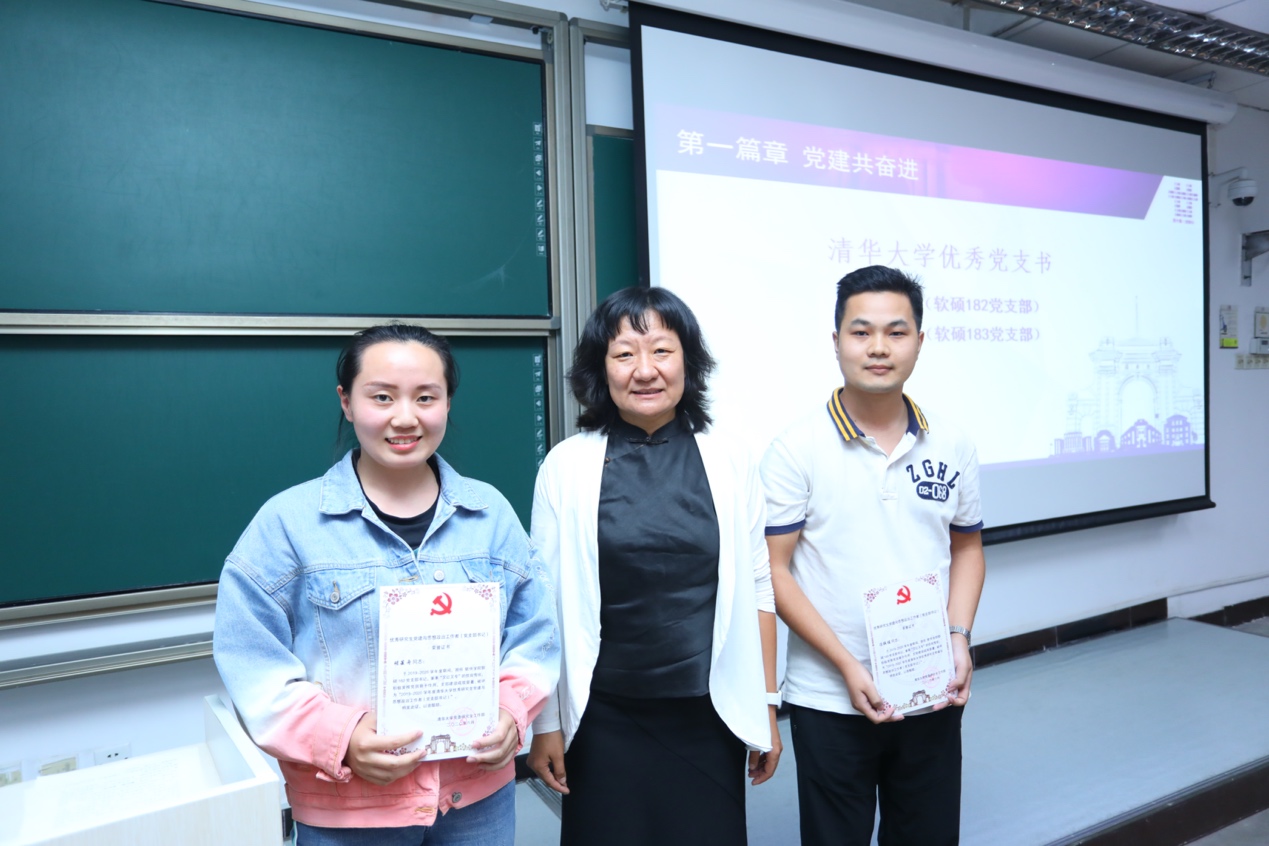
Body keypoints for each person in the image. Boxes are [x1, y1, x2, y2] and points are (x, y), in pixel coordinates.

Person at [213, 323, 559, 846]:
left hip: (477, 799)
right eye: (382, 397)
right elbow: (251, 663)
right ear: (347, 402)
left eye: (426, 397)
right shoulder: (286, 524)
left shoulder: (490, 513)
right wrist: (342, 737)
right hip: (350, 809)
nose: (405, 417)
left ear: (447, 403)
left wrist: (512, 710)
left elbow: (534, 633)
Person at [526, 286, 782, 846]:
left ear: (689, 361)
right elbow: (542, 606)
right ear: (601, 368)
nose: (645, 370)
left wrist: (765, 703)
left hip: (709, 715)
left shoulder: (731, 458)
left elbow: (760, 586)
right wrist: (546, 723)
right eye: (624, 354)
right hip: (601, 717)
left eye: (662, 351)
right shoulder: (565, 467)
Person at [760, 266, 986, 846]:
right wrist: (846, 664)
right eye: (861, 332)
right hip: (829, 696)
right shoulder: (795, 448)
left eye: (896, 332)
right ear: (836, 340)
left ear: (919, 341)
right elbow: (774, 571)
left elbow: (967, 546)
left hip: (930, 686)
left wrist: (959, 636)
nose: (878, 347)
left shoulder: (952, 442)